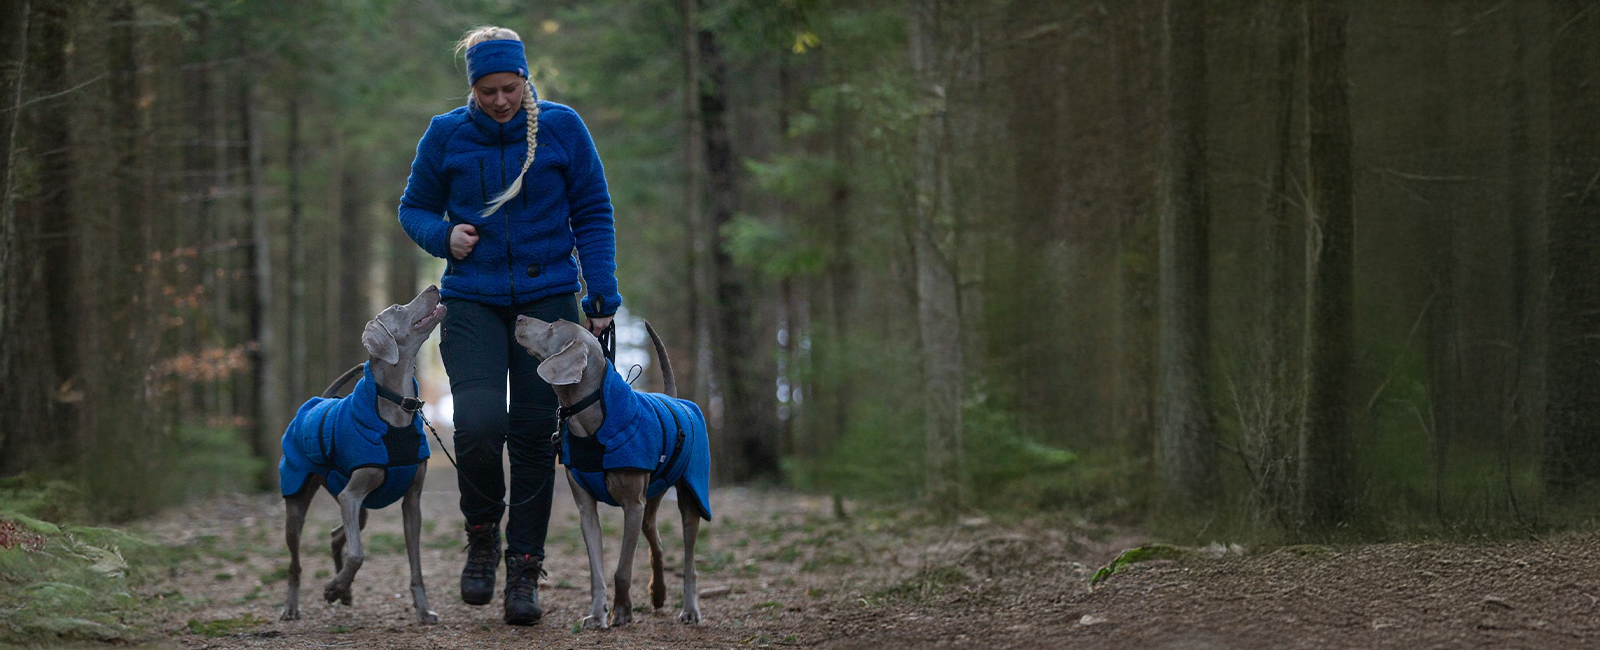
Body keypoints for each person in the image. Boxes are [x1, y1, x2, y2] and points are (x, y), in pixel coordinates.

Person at [396, 25, 620, 626]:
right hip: (471, 300)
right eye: (489, 90)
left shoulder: (562, 128)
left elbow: (594, 211)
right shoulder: (445, 134)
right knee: (476, 421)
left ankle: (524, 568)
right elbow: (413, 207)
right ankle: (481, 535)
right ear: (472, 87)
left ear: (526, 79)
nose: (501, 100)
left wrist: (601, 293)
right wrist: (443, 235)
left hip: (548, 300)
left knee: (532, 429)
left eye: (511, 87)